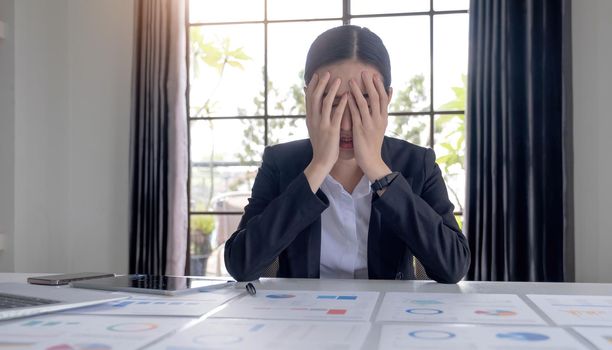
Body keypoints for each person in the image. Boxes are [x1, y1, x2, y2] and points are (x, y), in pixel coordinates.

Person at [224, 25, 470, 283]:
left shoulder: (418, 164)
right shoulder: (280, 162)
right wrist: (318, 167)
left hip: (387, 318)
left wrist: (378, 170)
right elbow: (241, 264)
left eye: (363, 101)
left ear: (386, 99)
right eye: (331, 100)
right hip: (303, 317)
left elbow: (452, 266)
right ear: (309, 98)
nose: (345, 124)